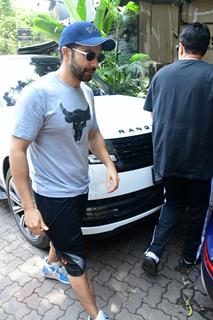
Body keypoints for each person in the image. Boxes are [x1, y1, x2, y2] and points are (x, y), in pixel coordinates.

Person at [9, 21, 119, 320]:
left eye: (100, 57)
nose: (96, 63)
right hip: (53, 195)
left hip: (79, 188)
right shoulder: (38, 94)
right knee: (76, 257)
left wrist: (109, 164)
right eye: (89, 55)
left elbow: (93, 133)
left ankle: (49, 265)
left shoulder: (87, 93)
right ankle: (96, 315)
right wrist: (30, 208)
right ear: (66, 53)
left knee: (64, 235)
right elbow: (17, 150)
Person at [141, 22, 213, 276]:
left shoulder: (161, 75)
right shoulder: (211, 75)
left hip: (167, 157)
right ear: (205, 49)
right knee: (197, 209)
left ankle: (154, 251)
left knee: (171, 203)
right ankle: (187, 259)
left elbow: (153, 115)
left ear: (181, 46)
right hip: (200, 161)